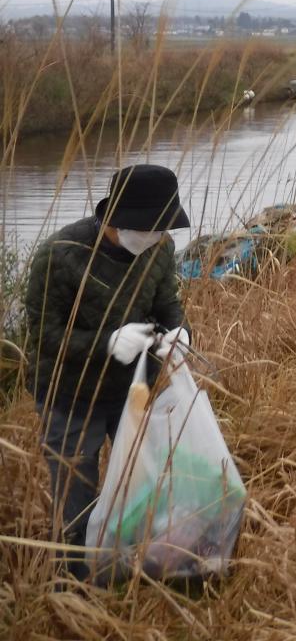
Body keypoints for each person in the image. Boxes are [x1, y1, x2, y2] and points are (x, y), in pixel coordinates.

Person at [24, 164, 192, 576]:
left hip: (130, 392)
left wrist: (180, 331)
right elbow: (44, 334)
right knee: (76, 495)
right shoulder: (60, 255)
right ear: (117, 219)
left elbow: (165, 301)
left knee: (136, 481)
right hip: (69, 394)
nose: (154, 239)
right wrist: (106, 344)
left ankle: (128, 568)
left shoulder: (159, 248)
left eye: (161, 231)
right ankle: (75, 588)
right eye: (148, 230)